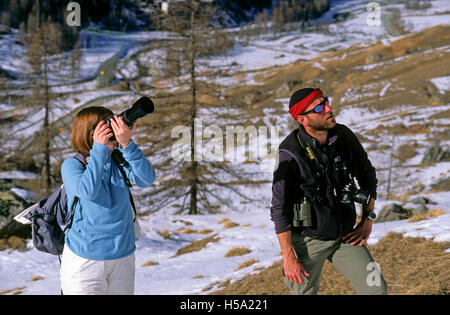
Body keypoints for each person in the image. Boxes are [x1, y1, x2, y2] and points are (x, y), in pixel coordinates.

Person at [271, 88, 387, 295]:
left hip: (345, 236)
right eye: (318, 107)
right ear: (302, 119)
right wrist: (289, 257)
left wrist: (367, 217)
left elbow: (367, 175)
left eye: (325, 101)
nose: (328, 108)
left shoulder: (343, 135)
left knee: (376, 288)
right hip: (308, 242)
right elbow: (280, 208)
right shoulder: (289, 153)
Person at [60, 106, 156, 295]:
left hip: (123, 257)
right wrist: (98, 151)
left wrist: (127, 145)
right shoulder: (72, 165)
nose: (112, 131)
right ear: (89, 133)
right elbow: (88, 192)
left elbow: (147, 178)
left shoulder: (119, 161)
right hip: (84, 261)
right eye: (106, 127)